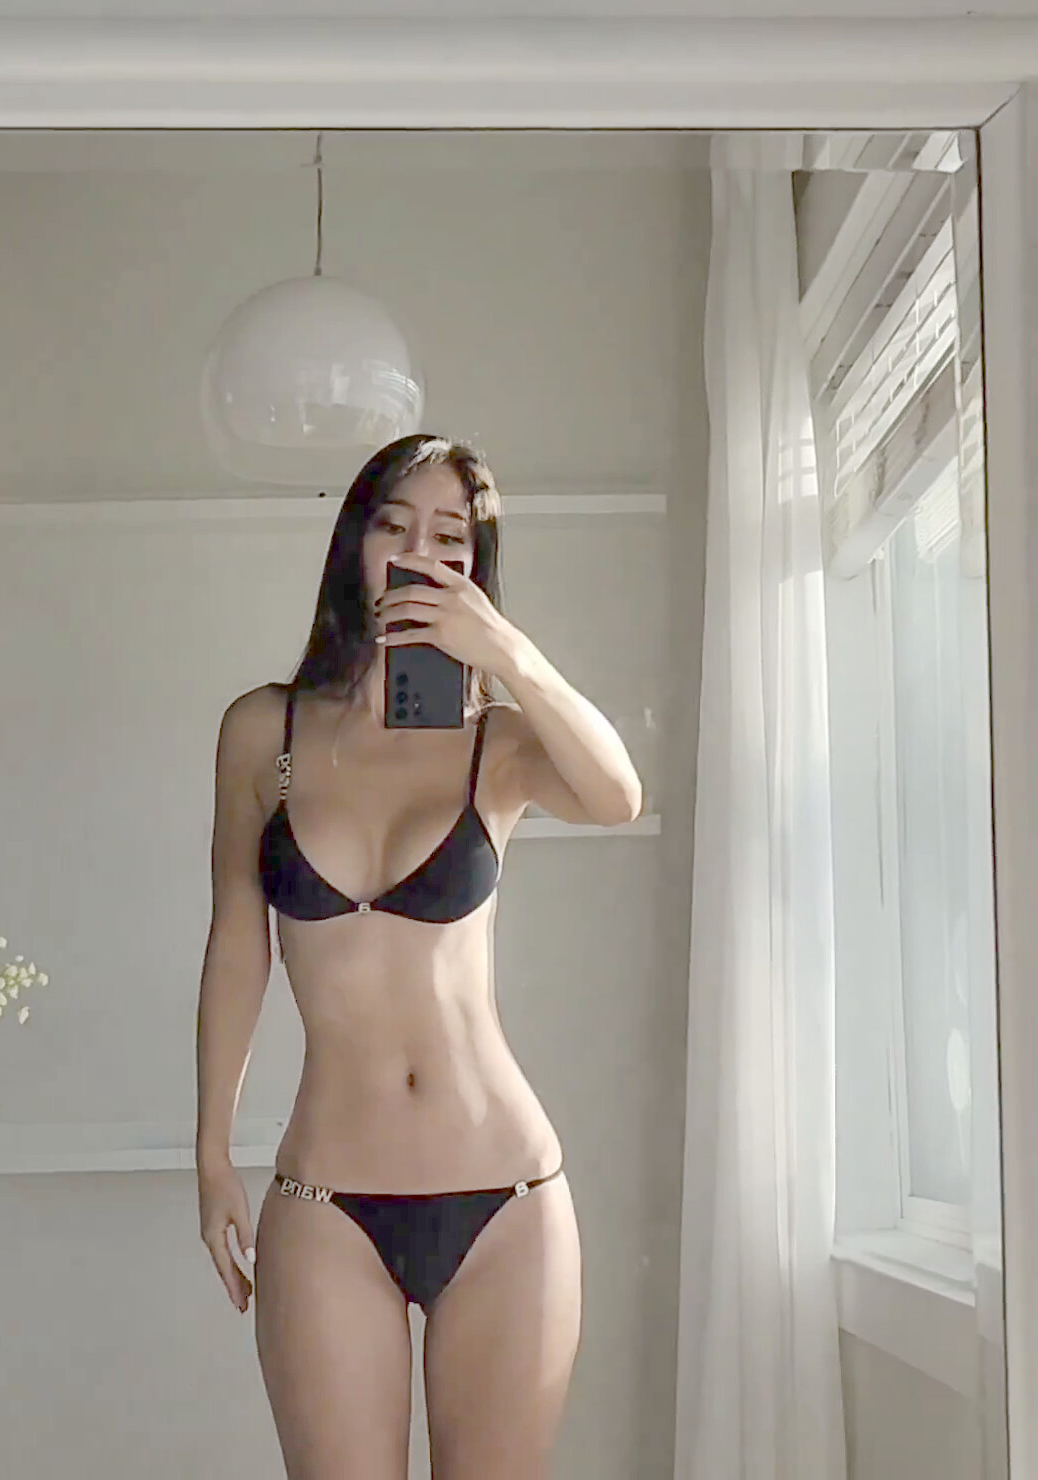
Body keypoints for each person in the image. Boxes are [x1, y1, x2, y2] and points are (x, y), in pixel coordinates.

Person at [195, 433, 643, 1479]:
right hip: (327, 1202)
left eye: (452, 539)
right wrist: (211, 1150)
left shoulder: (500, 740)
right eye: (395, 525)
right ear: (354, 542)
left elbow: (619, 797)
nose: (419, 555)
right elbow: (235, 941)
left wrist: (511, 655)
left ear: (477, 571)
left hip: (506, 1200)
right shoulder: (265, 733)